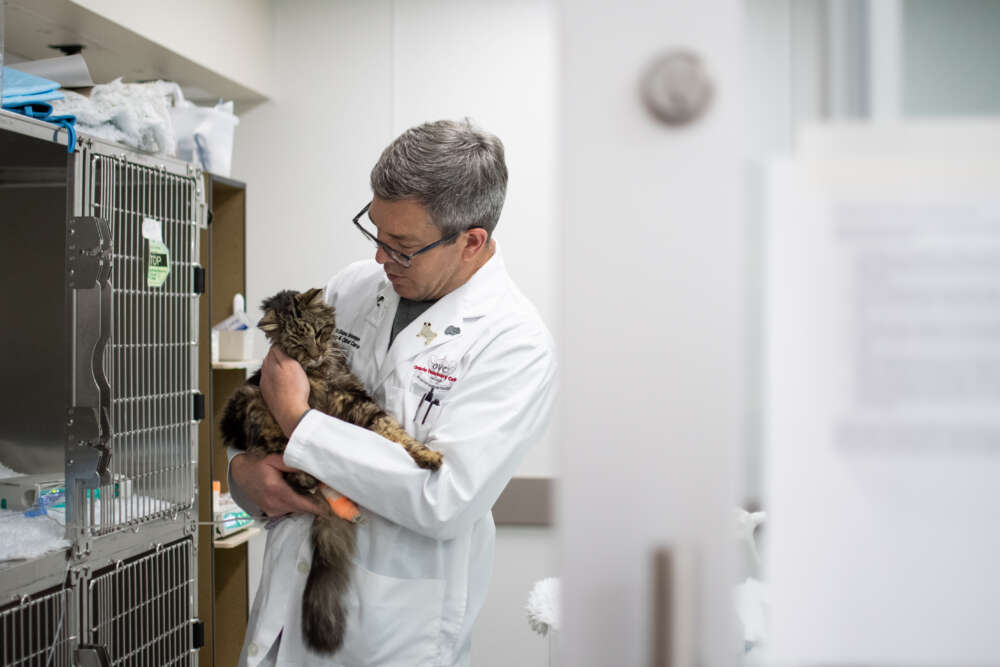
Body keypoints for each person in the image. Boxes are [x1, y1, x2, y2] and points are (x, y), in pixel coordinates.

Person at [228, 119, 557, 666]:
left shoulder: (515, 344)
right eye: (374, 231)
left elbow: (443, 499)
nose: (381, 258)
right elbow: (263, 397)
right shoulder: (352, 289)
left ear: (471, 242)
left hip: (389, 631)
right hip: (288, 599)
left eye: (402, 247)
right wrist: (243, 472)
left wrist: (299, 424)